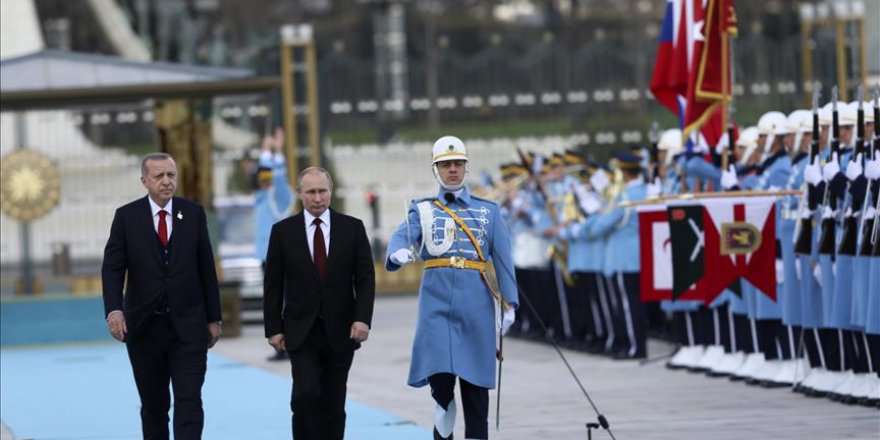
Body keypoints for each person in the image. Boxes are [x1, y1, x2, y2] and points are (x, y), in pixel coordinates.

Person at [385, 135, 518, 440]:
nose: (452, 170)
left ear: (466, 167)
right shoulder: (423, 209)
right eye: (445, 165)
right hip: (436, 304)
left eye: (458, 163)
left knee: (476, 393)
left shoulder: (489, 211)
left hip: (476, 306)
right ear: (436, 170)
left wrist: (509, 305)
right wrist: (397, 252)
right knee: (441, 390)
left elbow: (503, 261)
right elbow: (403, 233)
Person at [102, 152, 222, 440]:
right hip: (144, 328)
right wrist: (114, 310)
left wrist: (214, 318)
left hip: (188, 327)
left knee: (189, 400)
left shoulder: (192, 213)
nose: (167, 182)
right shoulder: (126, 217)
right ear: (145, 180)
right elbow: (112, 269)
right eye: (159, 176)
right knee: (154, 406)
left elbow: (207, 267)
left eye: (171, 175)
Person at [263, 166, 375, 440]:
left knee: (334, 403)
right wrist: (273, 328)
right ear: (300, 193)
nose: (317, 198)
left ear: (330, 192)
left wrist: (362, 319)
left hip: (341, 329)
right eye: (311, 192)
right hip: (301, 330)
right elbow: (273, 284)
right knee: (305, 394)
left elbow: (365, 279)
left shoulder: (352, 228)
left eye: (322, 191)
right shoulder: (282, 232)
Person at [254, 128, 295, 361]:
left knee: (286, 301)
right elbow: (265, 175)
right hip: (264, 256)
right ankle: (279, 344)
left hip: (281, 256)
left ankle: (290, 343)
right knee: (273, 301)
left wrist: (273, 151)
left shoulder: (279, 196)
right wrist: (266, 152)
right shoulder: (261, 196)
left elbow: (276, 177)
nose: (264, 180)